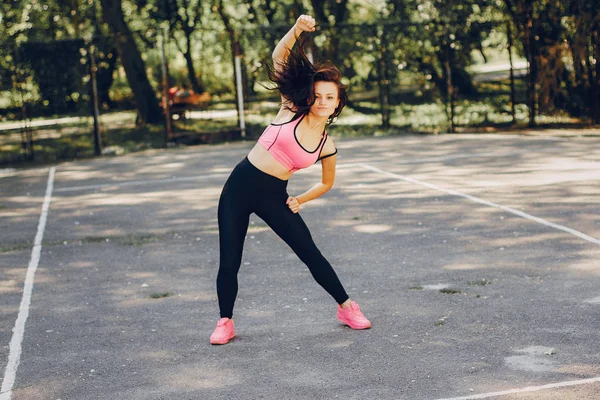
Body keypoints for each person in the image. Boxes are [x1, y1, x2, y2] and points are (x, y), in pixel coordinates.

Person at [210, 15, 371, 345]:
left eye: (330, 97)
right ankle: (225, 321)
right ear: (310, 95)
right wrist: (298, 29)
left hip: (274, 196)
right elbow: (278, 57)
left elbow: (327, 183)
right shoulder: (291, 107)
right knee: (229, 260)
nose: (323, 101)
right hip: (238, 189)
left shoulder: (328, 145)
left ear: (338, 103)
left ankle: (347, 307)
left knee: (310, 252)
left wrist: (301, 199)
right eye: (319, 95)